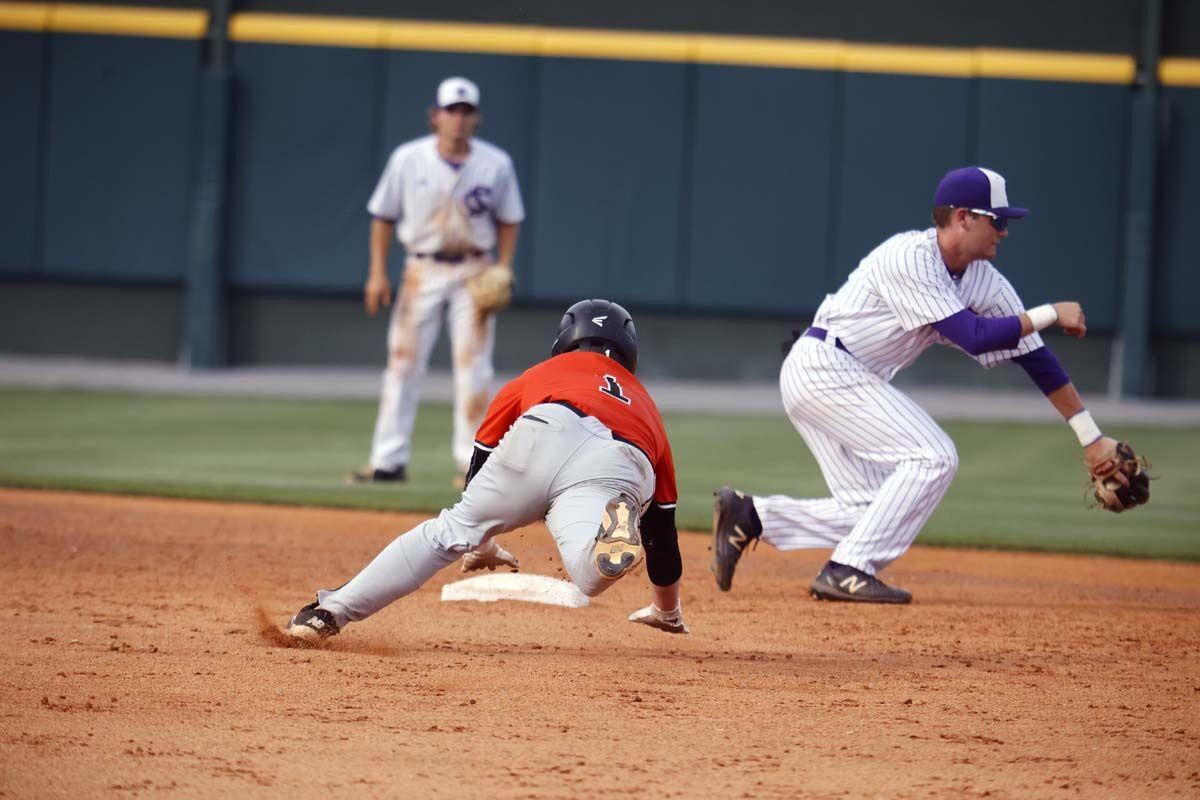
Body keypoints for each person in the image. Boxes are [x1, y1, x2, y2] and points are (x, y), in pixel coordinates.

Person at [711, 166, 1129, 604]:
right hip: (827, 368)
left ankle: (752, 515)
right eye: (999, 220)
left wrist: (1091, 437)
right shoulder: (910, 257)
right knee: (934, 456)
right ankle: (848, 568)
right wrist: (1049, 312)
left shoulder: (983, 279)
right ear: (964, 217)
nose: (1005, 232)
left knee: (874, 509)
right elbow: (974, 335)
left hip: (839, 375)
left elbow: (1035, 357)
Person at [289, 299, 688, 640]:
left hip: (547, 427)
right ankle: (611, 535)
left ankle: (328, 614)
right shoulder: (646, 406)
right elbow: (661, 536)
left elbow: (481, 462)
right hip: (619, 463)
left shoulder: (538, 375)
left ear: (565, 342)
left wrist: (481, 541)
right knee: (590, 573)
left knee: (448, 531)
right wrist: (666, 611)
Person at [349, 76, 524, 487]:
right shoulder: (408, 159)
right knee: (403, 364)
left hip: (474, 270)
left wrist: (505, 265)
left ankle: (472, 465)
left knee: (474, 369)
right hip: (421, 267)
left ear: (476, 118)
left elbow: (510, 218)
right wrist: (377, 272)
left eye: (466, 112)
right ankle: (388, 461)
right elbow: (383, 216)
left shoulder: (495, 163)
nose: (459, 119)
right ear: (435, 116)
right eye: (451, 111)